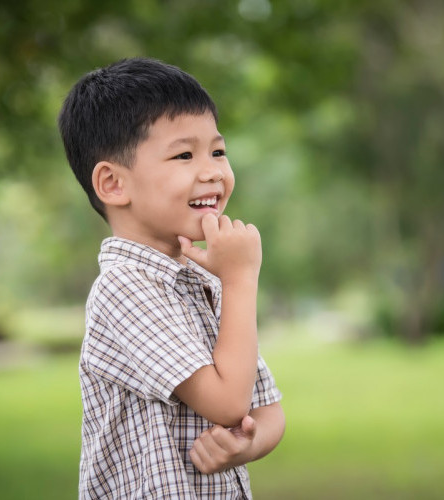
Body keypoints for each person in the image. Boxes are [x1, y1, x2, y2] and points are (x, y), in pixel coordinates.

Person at [58, 57, 285, 499]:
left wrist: (246, 444)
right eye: (184, 155)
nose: (213, 172)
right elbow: (227, 402)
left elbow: (267, 409)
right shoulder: (124, 288)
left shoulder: (204, 280)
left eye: (218, 151)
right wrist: (241, 280)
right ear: (113, 184)